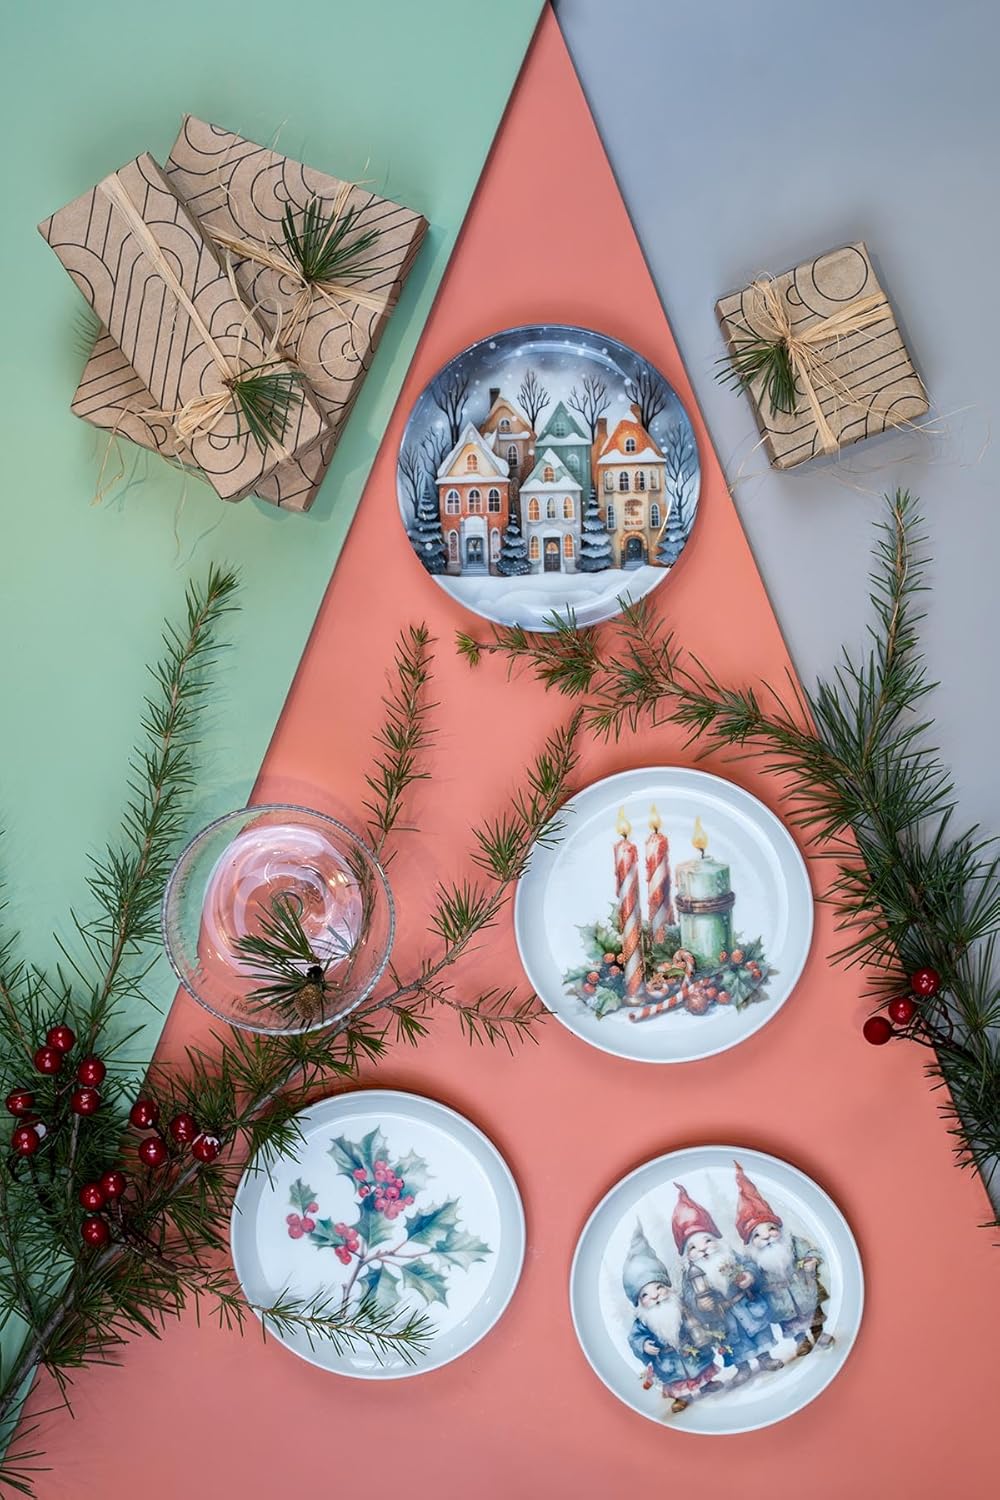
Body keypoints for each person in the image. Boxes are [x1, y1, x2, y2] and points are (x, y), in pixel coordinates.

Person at [673, 1182, 783, 1388]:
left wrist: (749, 1276)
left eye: (707, 1241)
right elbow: (688, 1297)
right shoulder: (690, 1275)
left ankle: (765, 1358)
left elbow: (749, 1265)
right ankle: (743, 1368)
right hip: (723, 1318)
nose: (703, 1249)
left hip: (745, 1306)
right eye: (693, 1248)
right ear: (687, 1255)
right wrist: (699, 1304)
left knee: (758, 1334)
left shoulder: (729, 1255)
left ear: (716, 1240)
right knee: (736, 1343)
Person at [734, 1161, 834, 1357]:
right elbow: (752, 1275)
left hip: (803, 1289)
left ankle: (819, 1335)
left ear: (779, 1228)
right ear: (751, 1242)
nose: (767, 1236)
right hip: (779, 1300)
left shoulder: (792, 1243)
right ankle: (801, 1342)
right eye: (757, 1235)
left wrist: (811, 1260)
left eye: (771, 1228)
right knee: (792, 1323)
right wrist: (748, 1279)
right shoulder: (754, 1259)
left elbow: (811, 1251)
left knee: (813, 1314)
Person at [622, 1220, 722, 1412]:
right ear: (639, 1302)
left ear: (667, 1287)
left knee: (701, 1367)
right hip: (668, 1361)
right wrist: (643, 1345)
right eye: (645, 1295)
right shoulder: (643, 1321)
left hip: (691, 1350)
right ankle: (682, 1397)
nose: (654, 1295)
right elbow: (634, 1338)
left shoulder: (678, 1305)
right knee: (676, 1380)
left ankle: (706, 1383)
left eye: (658, 1287)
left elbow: (696, 1314)